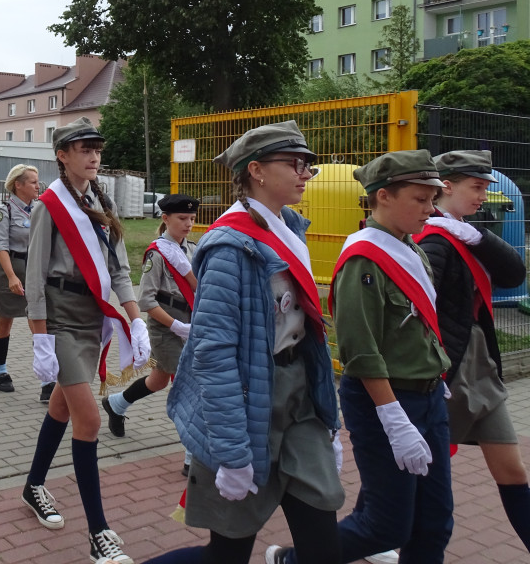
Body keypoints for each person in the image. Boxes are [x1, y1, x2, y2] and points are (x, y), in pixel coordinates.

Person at [152, 121, 342, 564]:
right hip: (244, 404)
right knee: (228, 552)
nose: (305, 172)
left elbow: (306, 331)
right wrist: (232, 453)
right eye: (294, 163)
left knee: (322, 545)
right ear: (255, 170)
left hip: (299, 401)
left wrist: (327, 415)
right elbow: (212, 354)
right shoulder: (229, 248)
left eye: (307, 164)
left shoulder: (290, 227)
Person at [266, 150, 452, 564]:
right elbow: (361, 350)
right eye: (419, 199)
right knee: (387, 526)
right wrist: (395, 418)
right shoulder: (364, 259)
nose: (430, 209)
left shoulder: (412, 249)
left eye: (432, 199)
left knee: (435, 522)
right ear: (384, 196)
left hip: (426, 398)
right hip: (386, 402)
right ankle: (293, 560)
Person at [21, 117, 150, 564]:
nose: (93, 155)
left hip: (93, 317)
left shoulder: (100, 198)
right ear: (62, 155)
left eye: (96, 147)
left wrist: (135, 320)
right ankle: (99, 535)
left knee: (62, 405)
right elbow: (34, 276)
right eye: (83, 148)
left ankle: (33, 484)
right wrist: (39, 337)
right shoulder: (49, 205)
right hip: (60, 321)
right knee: (89, 421)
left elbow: (118, 269)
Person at [414, 150, 530, 552]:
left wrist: (478, 236)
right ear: (446, 186)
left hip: (482, 370)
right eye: (476, 187)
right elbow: (419, 311)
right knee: (416, 476)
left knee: (513, 472)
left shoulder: (465, 230)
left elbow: (514, 273)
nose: (484, 196)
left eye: (485, 187)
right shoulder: (431, 239)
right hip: (450, 371)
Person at [102, 195, 199, 447]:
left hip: (190, 324)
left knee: (158, 379)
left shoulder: (193, 249)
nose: (188, 224)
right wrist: (176, 326)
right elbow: (146, 301)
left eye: (191, 218)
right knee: (186, 383)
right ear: (165, 219)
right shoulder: (157, 254)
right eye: (182, 218)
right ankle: (191, 451)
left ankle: (116, 403)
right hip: (166, 327)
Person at [0, 164, 51, 398]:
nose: (37, 185)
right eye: (32, 181)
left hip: (32, 270)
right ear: (18, 185)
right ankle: (0, 372)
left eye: (38, 181)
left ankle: (46, 381)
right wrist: (11, 276)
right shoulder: (4, 211)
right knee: (4, 323)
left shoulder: (38, 209)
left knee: (39, 326)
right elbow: (0, 246)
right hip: (7, 270)